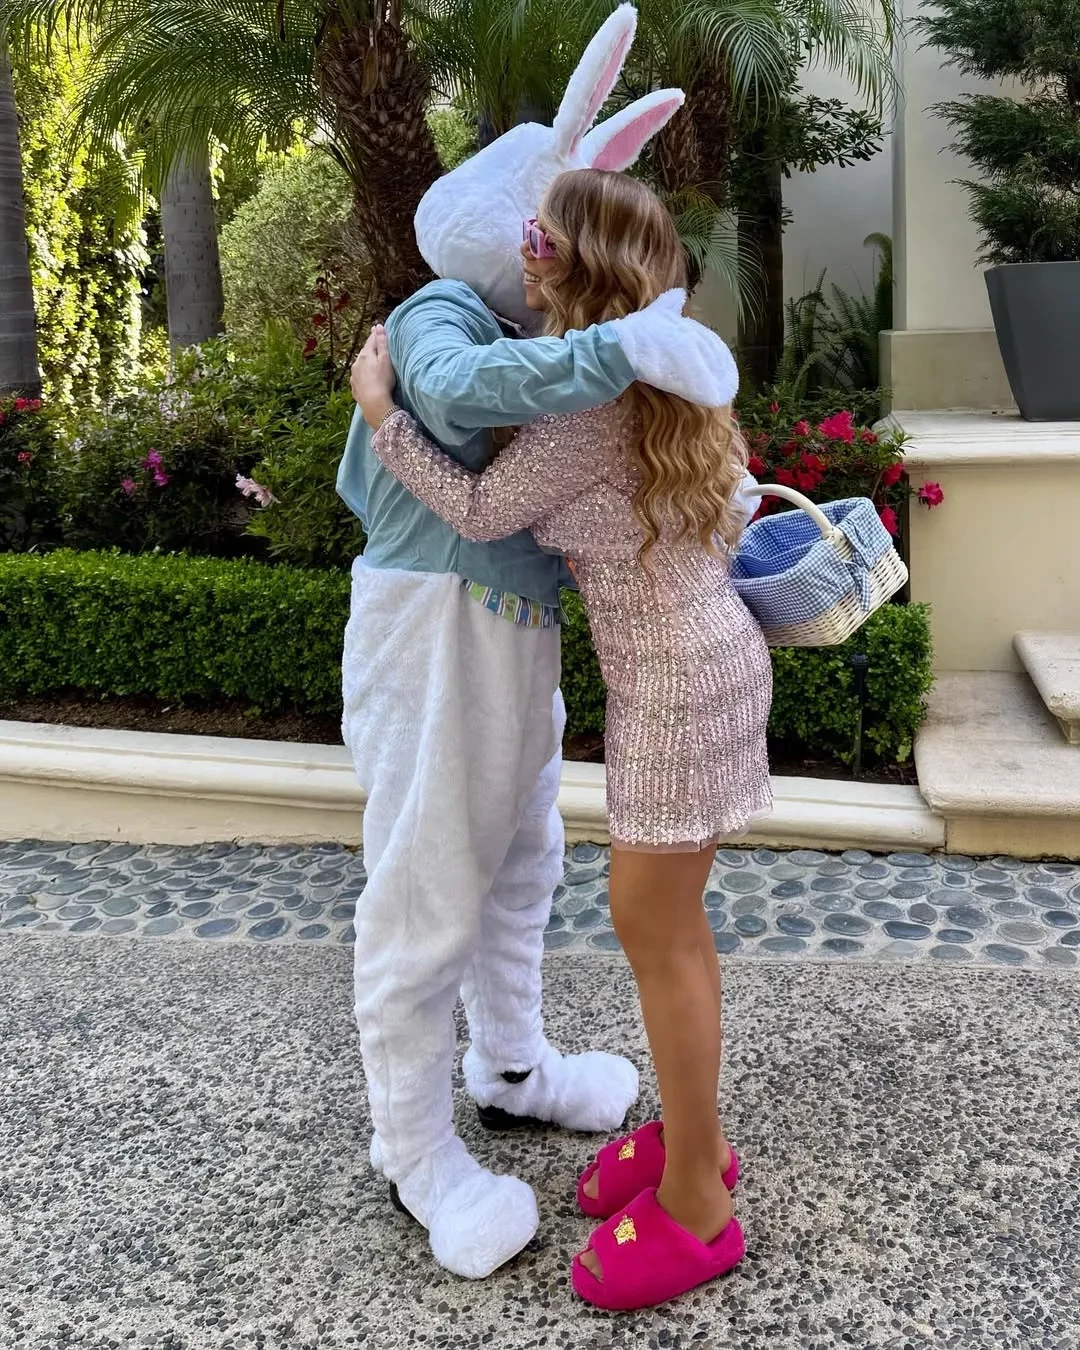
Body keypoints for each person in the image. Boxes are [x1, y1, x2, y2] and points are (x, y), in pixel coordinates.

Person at [336, 3, 757, 1285]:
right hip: (709, 662)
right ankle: (672, 1141)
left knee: (655, 930)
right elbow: (733, 504)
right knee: (645, 916)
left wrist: (377, 416)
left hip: (670, 686)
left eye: (544, 243)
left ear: (573, 269)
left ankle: (698, 1198)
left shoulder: (588, 396)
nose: (527, 261)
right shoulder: (665, 386)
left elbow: (476, 502)